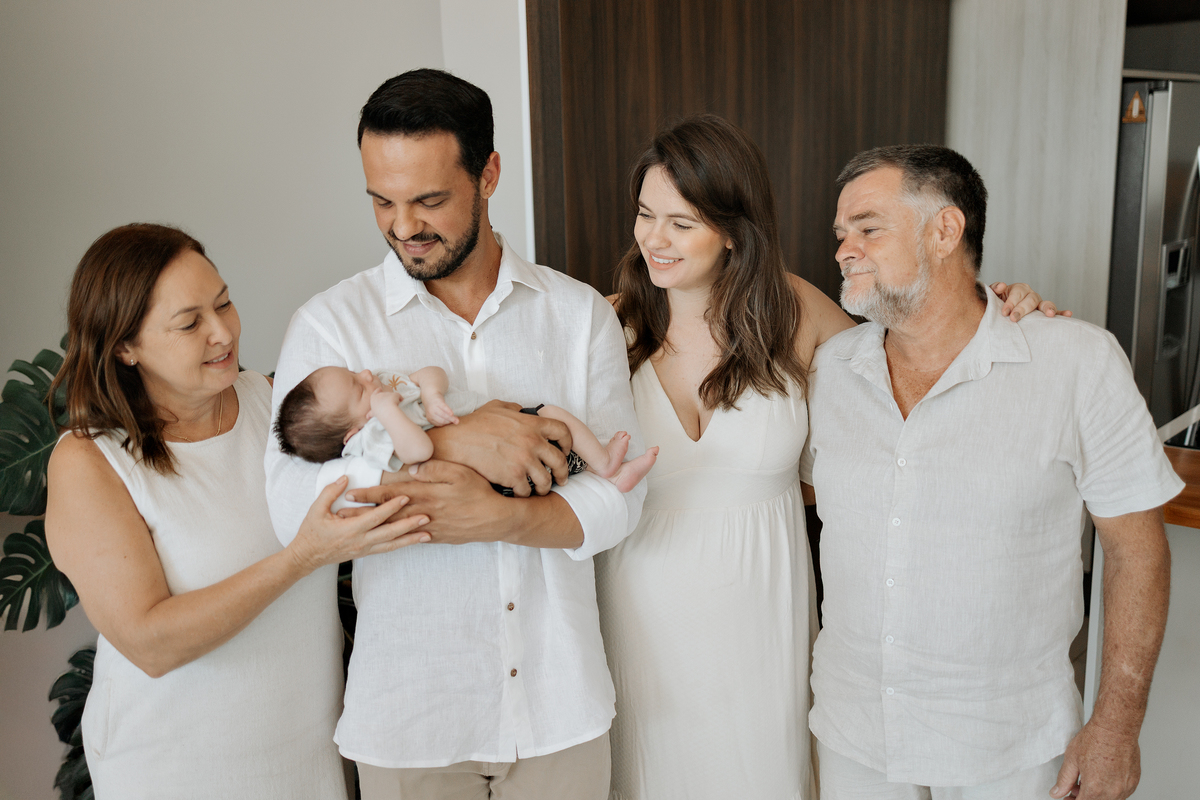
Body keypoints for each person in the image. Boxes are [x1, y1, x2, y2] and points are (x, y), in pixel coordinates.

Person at [596, 116, 1057, 800]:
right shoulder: (605, 325)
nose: (653, 240)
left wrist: (1001, 306)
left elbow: (913, 373)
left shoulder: (795, 310)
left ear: (733, 229)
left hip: (763, 610)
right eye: (644, 215)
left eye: (681, 223)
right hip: (640, 609)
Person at [263, 69, 647, 799]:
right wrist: (450, 442)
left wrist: (504, 518)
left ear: (488, 174)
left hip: (559, 709)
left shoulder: (577, 317)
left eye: (430, 200)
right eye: (382, 201)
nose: (403, 226)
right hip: (411, 721)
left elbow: (620, 501)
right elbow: (292, 511)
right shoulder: (329, 326)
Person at [801, 144, 1180, 799]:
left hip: (1010, 747)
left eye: (867, 228)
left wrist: (1117, 727)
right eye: (841, 234)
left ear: (944, 230)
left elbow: (1137, 553)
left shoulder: (1076, 363)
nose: (843, 250)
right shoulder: (831, 371)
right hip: (854, 735)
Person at [43, 223, 429, 799]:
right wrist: (302, 558)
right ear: (125, 347)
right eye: (189, 323)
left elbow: (405, 435)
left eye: (223, 303)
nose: (223, 332)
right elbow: (150, 642)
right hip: (172, 772)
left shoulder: (279, 405)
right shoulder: (89, 462)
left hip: (307, 759)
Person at [274, 364, 656, 493]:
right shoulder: (373, 435)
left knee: (552, 416)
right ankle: (606, 469)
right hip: (496, 469)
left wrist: (431, 393)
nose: (366, 374)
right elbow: (418, 452)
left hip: (503, 422)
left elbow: (430, 372)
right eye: (358, 387)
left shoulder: (384, 386)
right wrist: (389, 413)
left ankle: (604, 466)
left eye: (354, 372)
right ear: (351, 435)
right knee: (551, 437)